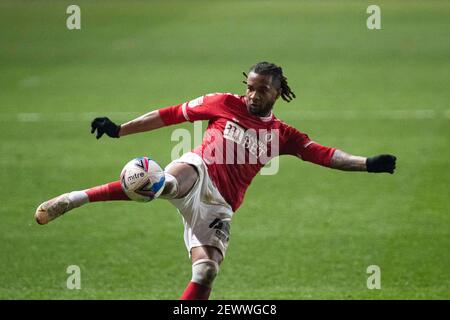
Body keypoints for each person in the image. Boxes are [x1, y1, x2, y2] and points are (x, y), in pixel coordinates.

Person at [34, 61, 397, 300]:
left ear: (277, 93)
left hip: (219, 206)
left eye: (263, 90)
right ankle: (74, 198)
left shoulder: (283, 135)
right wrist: (119, 130)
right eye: (251, 87)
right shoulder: (223, 102)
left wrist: (368, 164)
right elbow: (171, 115)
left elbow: (324, 154)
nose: (253, 94)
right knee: (169, 181)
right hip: (197, 170)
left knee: (206, 272)